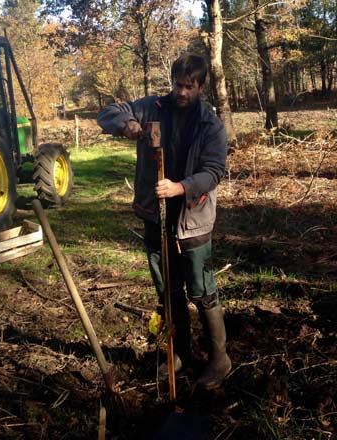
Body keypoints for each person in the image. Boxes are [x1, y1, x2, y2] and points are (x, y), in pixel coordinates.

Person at [97, 54, 230, 390]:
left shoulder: (210, 124)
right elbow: (109, 112)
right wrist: (127, 125)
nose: (181, 92)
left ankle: (219, 360)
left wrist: (179, 187)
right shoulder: (153, 107)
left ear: (201, 86)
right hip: (156, 216)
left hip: (192, 218)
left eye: (189, 86)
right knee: (168, 291)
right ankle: (180, 353)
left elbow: (214, 172)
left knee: (202, 292)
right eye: (177, 84)